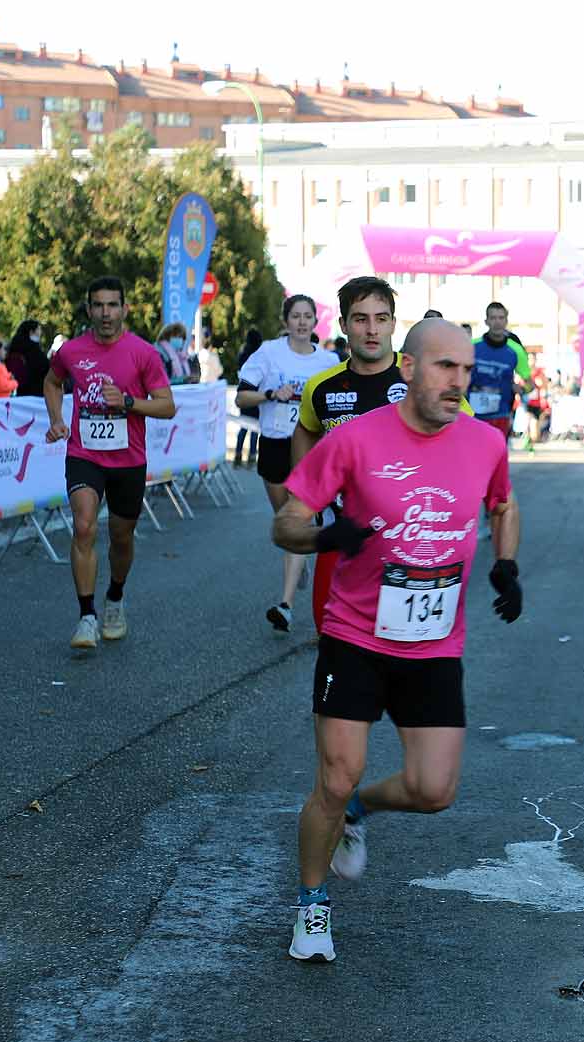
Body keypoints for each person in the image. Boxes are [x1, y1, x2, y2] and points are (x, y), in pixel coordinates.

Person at [274, 316, 523, 963]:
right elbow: (287, 520)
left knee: (435, 790)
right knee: (334, 775)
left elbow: (503, 503)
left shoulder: (484, 443)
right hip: (355, 634)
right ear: (408, 368)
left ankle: (360, 807)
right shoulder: (355, 441)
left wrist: (506, 562)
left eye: (467, 371)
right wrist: (325, 536)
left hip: (434, 643)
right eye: (446, 367)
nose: (458, 382)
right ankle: (312, 907)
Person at [44, 276, 176, 649]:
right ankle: (86, 616)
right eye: (98, 305)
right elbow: (52, 382)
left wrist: (129, 403)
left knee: (121, 535)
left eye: (112, 305)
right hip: (84, 454)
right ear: (89, 310)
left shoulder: (143, 353)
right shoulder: (70, 351)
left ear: (125, 309)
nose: (105, 313)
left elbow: (167, 405)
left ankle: (115, 597)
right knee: (84, 526)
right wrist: (56, 419)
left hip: (128, 459)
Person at [293, 276, 410, 636]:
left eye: (381, 318)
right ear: (343, 325)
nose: (372, 329)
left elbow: (467, 441)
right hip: (342, 541)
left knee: (404, 660)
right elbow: (305, 429)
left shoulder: (421, 380)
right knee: (333, 649)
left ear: (393, 322)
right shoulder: (322, 387)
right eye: (360, 319)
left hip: (409, 545)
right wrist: (306, 497)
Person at [236, 295, 335, 633]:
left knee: (298, 519)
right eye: (296, 316)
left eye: (308, 316)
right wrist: (270, 394)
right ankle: (300, 553)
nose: (303, 322)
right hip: (275, 444)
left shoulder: (328, 361)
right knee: (284, 523)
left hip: (311, 448)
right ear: (287, 320)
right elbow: (241, 396)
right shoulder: (268, 353)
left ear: (314, 322)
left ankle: (286, 605)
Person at [468, 301, 531, 443]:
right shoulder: (472, 347)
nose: (497, 322)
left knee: (497, 456)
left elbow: (529, 385)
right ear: (486, 321)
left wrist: (521, 388)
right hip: (474, 414)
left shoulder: (515, 350)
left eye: (501, 318)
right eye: (493, 318)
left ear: (506, 321)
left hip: (501, 413)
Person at [6, 319, 50, 398]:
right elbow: (44, 367)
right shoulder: (33, 349)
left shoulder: (15, 347)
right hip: (37, 390)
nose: (40, 332)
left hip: (21, 390)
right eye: (38, 329)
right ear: (31, 332)